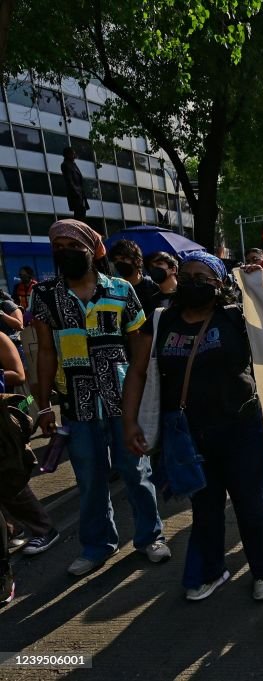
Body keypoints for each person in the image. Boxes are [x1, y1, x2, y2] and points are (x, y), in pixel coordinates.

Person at [122, 252, 263, 601]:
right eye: (187, 274)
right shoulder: (161, 321)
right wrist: (129, 421)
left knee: (250, 503)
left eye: (202, 276)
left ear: (219, 284)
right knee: (205, 510)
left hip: (242, 430)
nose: (193, 281)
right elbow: (137, 371)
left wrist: (260, 285)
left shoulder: (237, 318)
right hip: (189, 437)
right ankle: (210, 571)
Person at [31, 220, 168, 577]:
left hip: (123, 399)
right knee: (89, 478)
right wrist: (42, 404)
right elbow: (45, 352)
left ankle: (150, 536)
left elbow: (140, 345)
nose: (64, 251)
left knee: (136, 471)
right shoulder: (45, 296)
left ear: (92, 250)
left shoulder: (121, 290)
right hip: (76, 403)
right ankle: (97, 546)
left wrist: (142, 395)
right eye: (57, 246)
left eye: (71, 245)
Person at [0, 332, 59, 557]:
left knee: (9, 475)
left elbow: (19, 374)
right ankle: (11, 530)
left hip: (5, 419)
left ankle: (44, 529)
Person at [110, 239, 163, 318]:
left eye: (123, 259)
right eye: (116, 260)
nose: (119, 263)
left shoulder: (153, 287)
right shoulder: (113, 289)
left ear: (137, 261)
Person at [61, 147, 89, 221]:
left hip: (80, 194)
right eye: (73, 153)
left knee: (82, 214)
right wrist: (77, 192)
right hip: (76, 195)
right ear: (68, 154)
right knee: (79, 216)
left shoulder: (73, 164)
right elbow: (69, 181)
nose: (74, 155)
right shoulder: (65, 165)